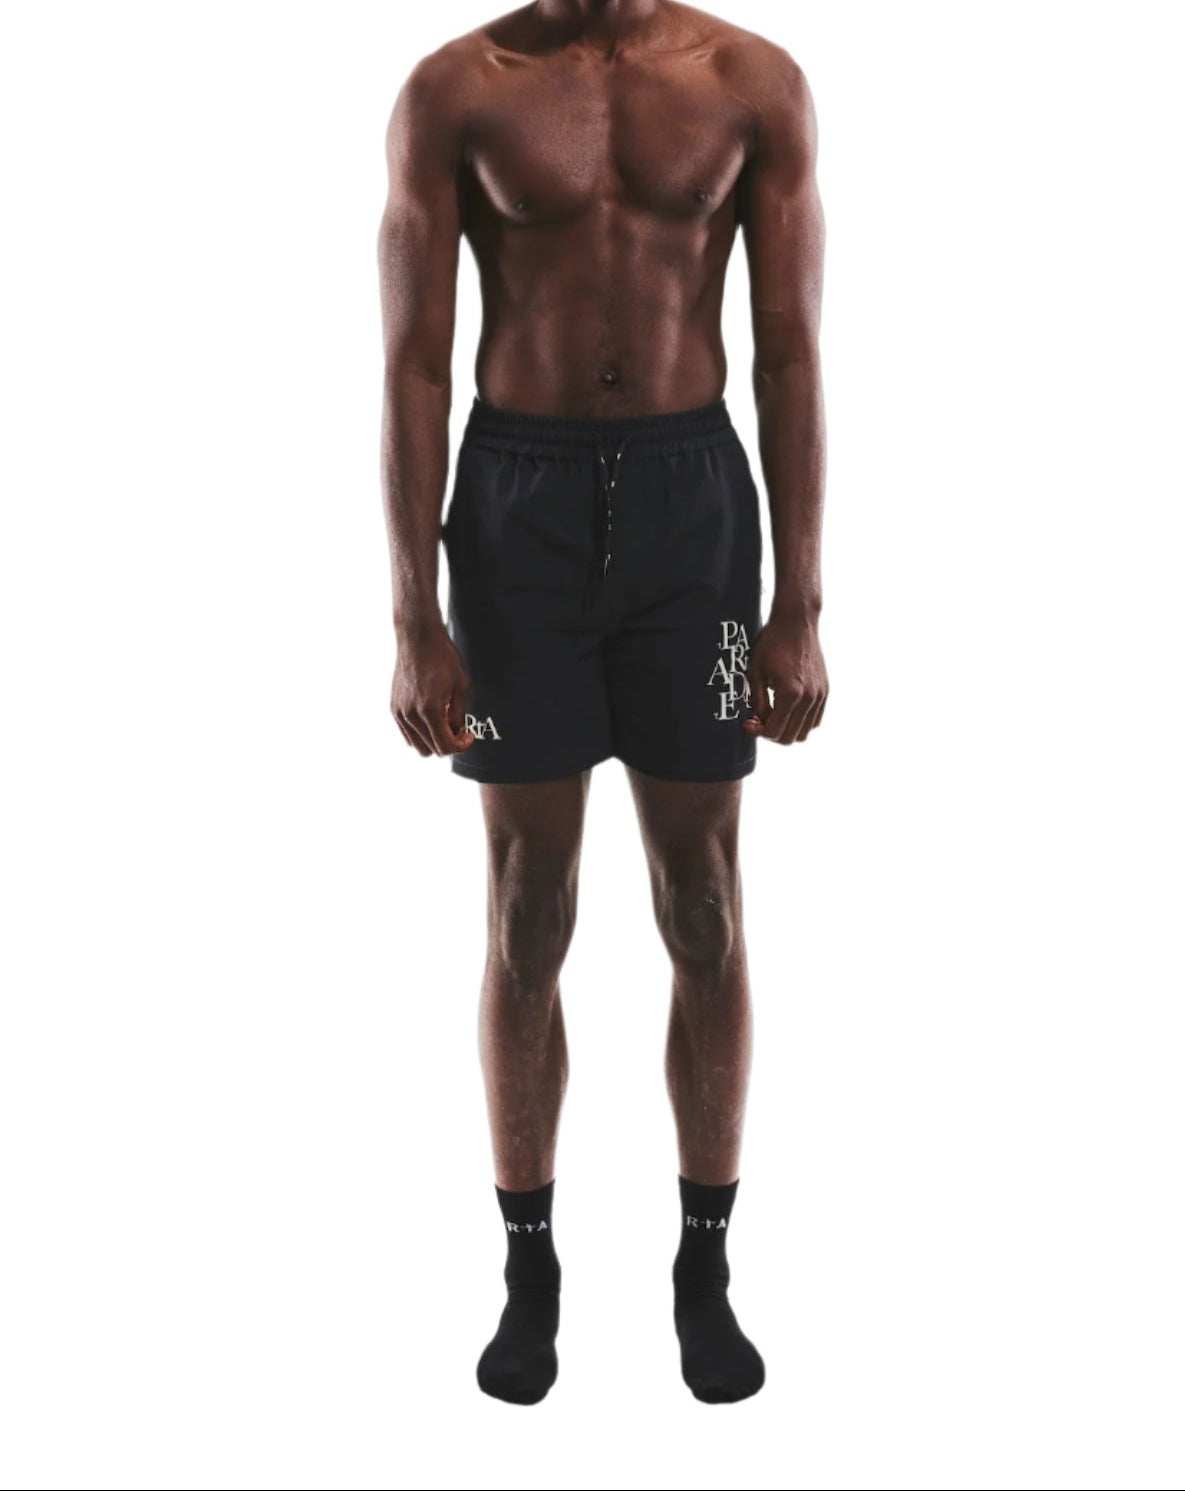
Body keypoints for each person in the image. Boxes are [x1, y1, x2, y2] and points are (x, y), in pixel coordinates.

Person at [377, 0, 827, 1405]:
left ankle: (705, 1264)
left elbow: (791, 352)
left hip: (696, 513)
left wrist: (800, 603)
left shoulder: (752, 81)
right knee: (528, 911)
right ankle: (531, 1269)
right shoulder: (457, 88)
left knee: (706, 906)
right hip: (517, 514)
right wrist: (415, 617)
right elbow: (413, 362)